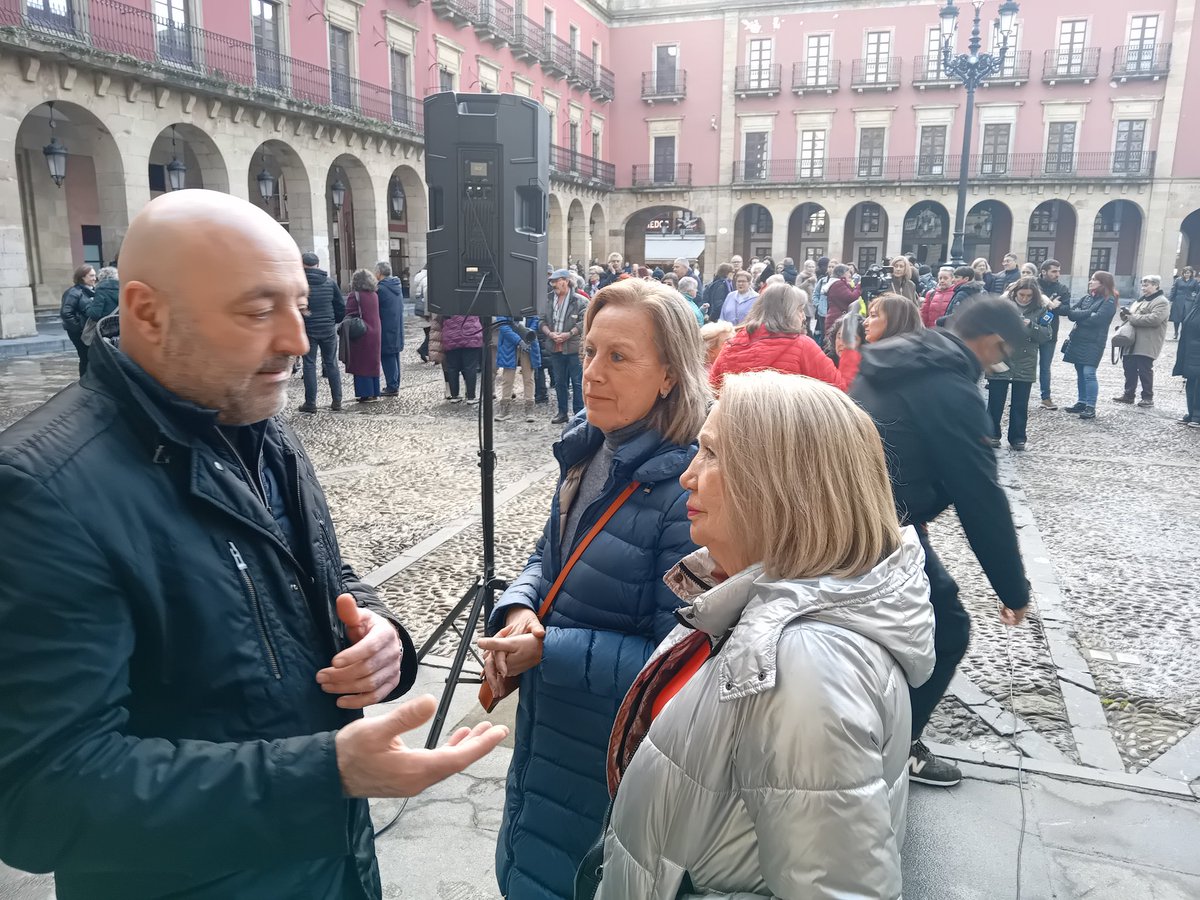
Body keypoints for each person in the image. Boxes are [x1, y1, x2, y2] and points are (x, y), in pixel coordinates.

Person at [0, 189, 507, 898]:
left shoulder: (255, 421)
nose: (299, 339)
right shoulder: (40, 493)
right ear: (146, 311)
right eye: (258, 309)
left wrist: (379, 632)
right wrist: (323, 773)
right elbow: (38, 800)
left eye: (298, 304)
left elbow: (324, 575)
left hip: (330, 869)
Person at [593, 371, 935, 900]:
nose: (688, 476)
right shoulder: (751, 598)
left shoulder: (806, 666)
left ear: (775, 483)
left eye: (710, 454)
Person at [478, 279, 709, 900]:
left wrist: (548, 649)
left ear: (670, 375)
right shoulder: (591, 446)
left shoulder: (689, 493)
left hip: (615, 759)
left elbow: (682, 665)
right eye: (589, 351)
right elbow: (547, 556)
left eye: (619, 357)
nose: (593, 372)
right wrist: (522, 607)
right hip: (550, 729)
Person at [851, 296, 1031, 787]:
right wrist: (1013, 589)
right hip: (881, 523)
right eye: (1000, 355)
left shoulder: (899, 353)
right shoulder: (953, 387)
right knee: (946, 624)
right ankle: (897, 748)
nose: (997, 365)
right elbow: (980, 496)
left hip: (849, 502)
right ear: (992, 342)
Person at [710, 283, 860, 392]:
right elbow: (840, 391)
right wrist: (850, 350)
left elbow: (713, 390)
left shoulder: (731, 346)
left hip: (737, 431)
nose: (803, 317)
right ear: (789, 312)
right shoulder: (802, 346)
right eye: (800, 310)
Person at [987, 278, 1054, 450]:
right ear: (1015, 293)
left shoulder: (1041, 309)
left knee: (1020, 403)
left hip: (1026, 360)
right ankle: (991, 434)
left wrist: (1031, 326)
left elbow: (1047, 335)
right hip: (1001, 357)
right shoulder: (1001, 307)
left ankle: (1017, 438)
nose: (1024, 298)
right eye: (1021, 295)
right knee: (995, 401)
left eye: (1028, 296)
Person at [1062, 271, 1118, 420]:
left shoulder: (1109, 300)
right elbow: (1071, 313)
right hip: (1079, 339)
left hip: (1094, 342)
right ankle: (1081, 402)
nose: (1090, 282)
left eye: (1094, 280)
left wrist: (1082, 316)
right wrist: (1088, 313)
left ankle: (1090, 406)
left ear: (1103, 283)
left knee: (1089, 373)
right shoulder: (1087, 297)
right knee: (1080, 371)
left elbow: (1098, 320)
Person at [1113, 275, 1170, 409]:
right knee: (1129, 368)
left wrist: (1132, 317)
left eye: (1147, 285)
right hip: (1132, 340)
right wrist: (1125, 314)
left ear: (1156, 285)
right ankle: (1128, 395)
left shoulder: (1162, 302)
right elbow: (1131, 317)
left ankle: (1147, 397)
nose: (1143, 288)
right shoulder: (1140, 300)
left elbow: (1154, 319)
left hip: (1147, 341)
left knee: (1145, 369)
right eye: (1143, 285)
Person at [299, 252, 346, 413]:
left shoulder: (300, 285)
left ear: (302, 265)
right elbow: (340, 307)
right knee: (331, 363)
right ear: (318, 265)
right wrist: (333, 321)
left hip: (308, 329)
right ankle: (337, 401)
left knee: (309, 365)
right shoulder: (330, 283)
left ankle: (310, 403)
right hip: (328, 329)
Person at [543, 268, 587, 424]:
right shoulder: (548, 300)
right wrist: (550, 334)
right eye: (552, 282)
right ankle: (562, 412)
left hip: (573, 348)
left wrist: (569, 334)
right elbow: (542, 321)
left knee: (577, 382)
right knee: (560, 382)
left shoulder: (580, 301)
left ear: (566, 281)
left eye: (556, 281)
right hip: (555, 347)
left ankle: (579, 414)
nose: (553, 284)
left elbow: (584, 322)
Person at [341, 269, 383, 403]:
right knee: (372, 362)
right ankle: (375, 391)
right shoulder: (374, 295)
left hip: (362, 331)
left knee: (361, 363)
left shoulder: (355, 295)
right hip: (375, 330)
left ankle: (365, 393)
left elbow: (349, 312)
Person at [1036, 259, 1071, 410]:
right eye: (1054, 271)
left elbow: (1066, 309)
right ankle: (1020, 393)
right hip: (1029, 329)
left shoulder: (1062, 288)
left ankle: (1046, 398)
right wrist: (1050, 304)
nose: (1057, 274)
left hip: (1050, 332)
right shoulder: (1033, 284)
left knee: (1045, 366)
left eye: (1058, 271)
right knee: (1025, 364)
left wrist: (1054, 307)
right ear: (1044, 272)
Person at [495, 313, 541, 422]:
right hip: (509, 344)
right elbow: (503, 325)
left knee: (529, 378)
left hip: (528, 342)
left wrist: (528, 334)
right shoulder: (505, 303)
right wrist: (518, 340)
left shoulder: (530, 301)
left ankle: (530, 410)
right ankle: (505, 410)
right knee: (507, 378)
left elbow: (536, 319)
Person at [59, 264, 96, 375]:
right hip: (80, 332)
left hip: (89, 330)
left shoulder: (92, 290)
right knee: (85, 357)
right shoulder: (73, 292)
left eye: (94, 275)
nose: (94, 278)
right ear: (82, 277)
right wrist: (79, 329)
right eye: (91, 276)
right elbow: (66, 313)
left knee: (91, 357)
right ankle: (85, 382)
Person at [440, 313, 484, 404]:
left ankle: (454, 396)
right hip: (471, 334)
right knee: (470, 368)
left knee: (452, 368)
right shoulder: (472, 300)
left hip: (450, 336)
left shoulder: (447, 302)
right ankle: (471, 397)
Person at [375, 261, 404, 396]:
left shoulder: (381, 289)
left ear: (379, 273)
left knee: (387, 356)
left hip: (386, 326)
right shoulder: (396, 285)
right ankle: (395, 383)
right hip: (396, 325)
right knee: (394, 355)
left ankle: (392, 386)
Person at [1173, 290, 1200, 426]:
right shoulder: (1197, 304)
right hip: (1191, 351)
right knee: (1192, 383)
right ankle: (1192, 413)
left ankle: (1197, 416)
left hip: (1196, 351)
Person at [825, 263, 863, 336]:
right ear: (841, 273)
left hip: (837, 316)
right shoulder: (838, 284)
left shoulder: (840, 283)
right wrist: (859, 286)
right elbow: (851, 297)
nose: (850, 274)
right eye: (848, 272)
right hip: (836, 318)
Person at [1169, 266, 1200, 341]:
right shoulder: (1178, 280)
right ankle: (1176, 333)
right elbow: (1173, 289)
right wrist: (1170, 299)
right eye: (1185, 273)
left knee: (1185, 318)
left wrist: (1194, 296)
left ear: (1191, 273)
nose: (1187, 274)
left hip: (1189, 301)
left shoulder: (1194, 281)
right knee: (1177, 318)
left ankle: (1183, 333)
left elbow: (1196, 291)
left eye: (1188, 273)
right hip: (1178, 301)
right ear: (1183, 273)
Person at [411, 263, 430, 362]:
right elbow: (427, 296)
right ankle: (423, 350)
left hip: (421, 309)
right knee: (432, 334)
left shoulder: (420, 277)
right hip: (426, 311)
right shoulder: (427, 279)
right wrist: (427, 313)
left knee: (429, 334)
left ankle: (429, 353)